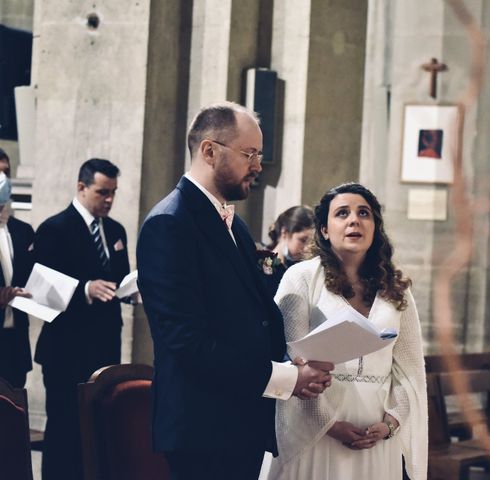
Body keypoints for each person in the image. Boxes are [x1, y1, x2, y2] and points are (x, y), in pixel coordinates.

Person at [137, 102, 333, 480]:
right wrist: (288, 379)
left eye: (259, 154)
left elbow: (253, 316)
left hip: (238, 420)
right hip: (202, 429)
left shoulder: (234, 224)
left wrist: (296, 361)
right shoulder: (170, 223)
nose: (258, 165)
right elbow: (188, 342)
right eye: (250, 154)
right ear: (210, 151)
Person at [268, 182, 429, 480]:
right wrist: (330, 425)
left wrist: (391, 422)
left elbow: (410, 370)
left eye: (364, 213)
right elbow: (291, 357)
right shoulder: (301, 278)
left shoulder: (396, 289)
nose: (354, 220)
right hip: (314, 430)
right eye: (342, 213)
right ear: (325, 229)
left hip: (376, 434)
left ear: (375, 228)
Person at [33, 158, 131, 480]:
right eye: (102, 192)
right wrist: (85, 289)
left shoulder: (115, 230)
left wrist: (129, 290)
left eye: (114, 192)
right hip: (66, 351)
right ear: (81, 187)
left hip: (104, 349)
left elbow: (116, 279)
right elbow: (39, 291)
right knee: (64, 433)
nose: (109, 199)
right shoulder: (54, 229)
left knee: (99, 430)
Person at [0, 155, 34, 388]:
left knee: (12, 418)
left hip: (14, 341)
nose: (3, 178)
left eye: (6, 172)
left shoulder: (22, 230)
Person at [260, 205, 314, 297]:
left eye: (311, 242)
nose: (306, 248)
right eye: (303, 240)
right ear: (284, 232)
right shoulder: (265, 262)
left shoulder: (296, 266)